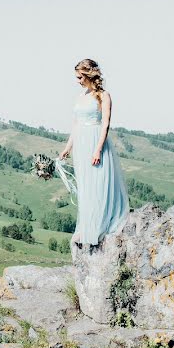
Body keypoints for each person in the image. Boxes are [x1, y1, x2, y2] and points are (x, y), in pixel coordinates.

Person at [57, 58, 129, 247]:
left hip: (96, 142)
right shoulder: (80, 97)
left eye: (80, 76)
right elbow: (75, 125)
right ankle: (86, 226)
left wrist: (98, 149)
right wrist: (67, 147)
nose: (78, 80)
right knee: (86, 185)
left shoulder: (104, 96)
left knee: (98, 183)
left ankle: (98, 226)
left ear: (89, 75)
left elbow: (105, 124)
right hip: (80, 143)